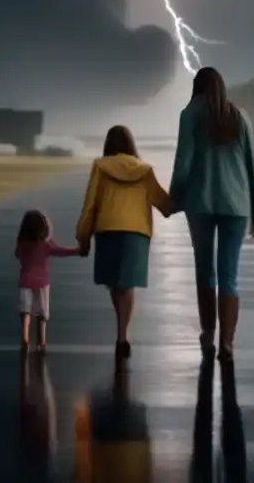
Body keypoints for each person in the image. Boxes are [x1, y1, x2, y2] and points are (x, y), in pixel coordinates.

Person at [169, 66, 254, 361]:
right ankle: (227, 343)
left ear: (196, 88)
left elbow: (183, 164)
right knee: (229, 275)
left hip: (200, 203)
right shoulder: (241, 117)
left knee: (204, 270)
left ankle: (208, 334)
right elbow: (252, 168)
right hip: (237, 205)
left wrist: (173, 199)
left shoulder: (191, 114)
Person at [76, 125, 173, 360]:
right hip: (136, 232)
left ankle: (121, 333)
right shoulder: (145, 170)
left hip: (108, 229)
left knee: (115, 284)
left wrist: (83, 236)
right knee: (127, 285)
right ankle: (123, 334)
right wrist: (183, 199)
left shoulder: (100, 167)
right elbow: (164, 204)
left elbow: (90, 203)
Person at [16, 209, 80, 353]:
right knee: (42, 315)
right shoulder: (45, 244)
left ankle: (25, 339)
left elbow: (17, 254)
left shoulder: (23, 242)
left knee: (25, 312)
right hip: (42, 283)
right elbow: (60, 251)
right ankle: (42, 343)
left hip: (25, 281)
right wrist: (77, 251)